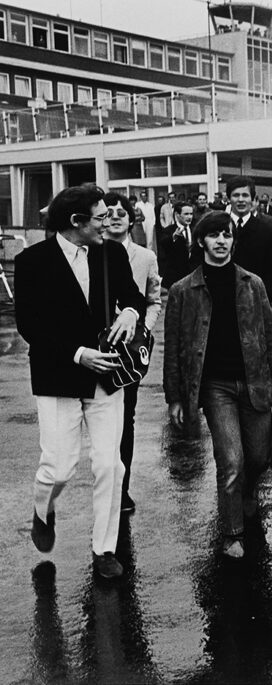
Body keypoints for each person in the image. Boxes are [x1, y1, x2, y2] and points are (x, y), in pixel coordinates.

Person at [15, 184, 147, 580]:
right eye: (101, 216)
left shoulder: (112, 253)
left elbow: (134, 297)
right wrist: (77, 353)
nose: (110, 222)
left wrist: (131, 315)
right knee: (60, 468)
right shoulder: (32, 261)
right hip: (59, 373)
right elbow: (29, 325)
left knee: (111, 464)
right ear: (76, 222)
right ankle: (44, 508)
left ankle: (104, 549)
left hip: (109, 374)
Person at [163, 211, 272, 560]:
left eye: (227, 235)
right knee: (231, 459)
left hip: (255, 383)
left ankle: (247, 492)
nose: (221, 241)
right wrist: (174, 397)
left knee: (259, 456)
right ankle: (232, 533)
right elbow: (173, 348)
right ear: (201, 240)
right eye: (214, 235)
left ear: (234, 240)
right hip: (215, 387)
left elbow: (270, 337)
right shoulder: (182, 291)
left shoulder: (253, 284)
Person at [102, 191, 162, 514]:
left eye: (120, 213)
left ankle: (122, 490)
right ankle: (104, 484)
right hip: (97, 347)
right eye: (108, 212)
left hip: (129, 350)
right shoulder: (91, 254)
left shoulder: (145, 257)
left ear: (130, 219)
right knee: (101, 418)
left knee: (126, 416)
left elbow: (154, 299)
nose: (114, 217)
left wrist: (144, 330)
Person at [224, 175, 272, 301]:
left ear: (252, 198)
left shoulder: (268, 230)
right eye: (236, 195)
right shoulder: (216, 227)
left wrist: (262, 299)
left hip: (254, 304)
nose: (241, 200)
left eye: (245, 195)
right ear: (229, 198)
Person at [157, 201, 195, 287]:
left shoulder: (196, 229)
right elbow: (163, 246)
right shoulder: (168, 231)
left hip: (193, 276)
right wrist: (173, 237)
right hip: (175, 278)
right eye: (186, 214)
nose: (189, 217)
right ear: (177, 215)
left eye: (191, 214)